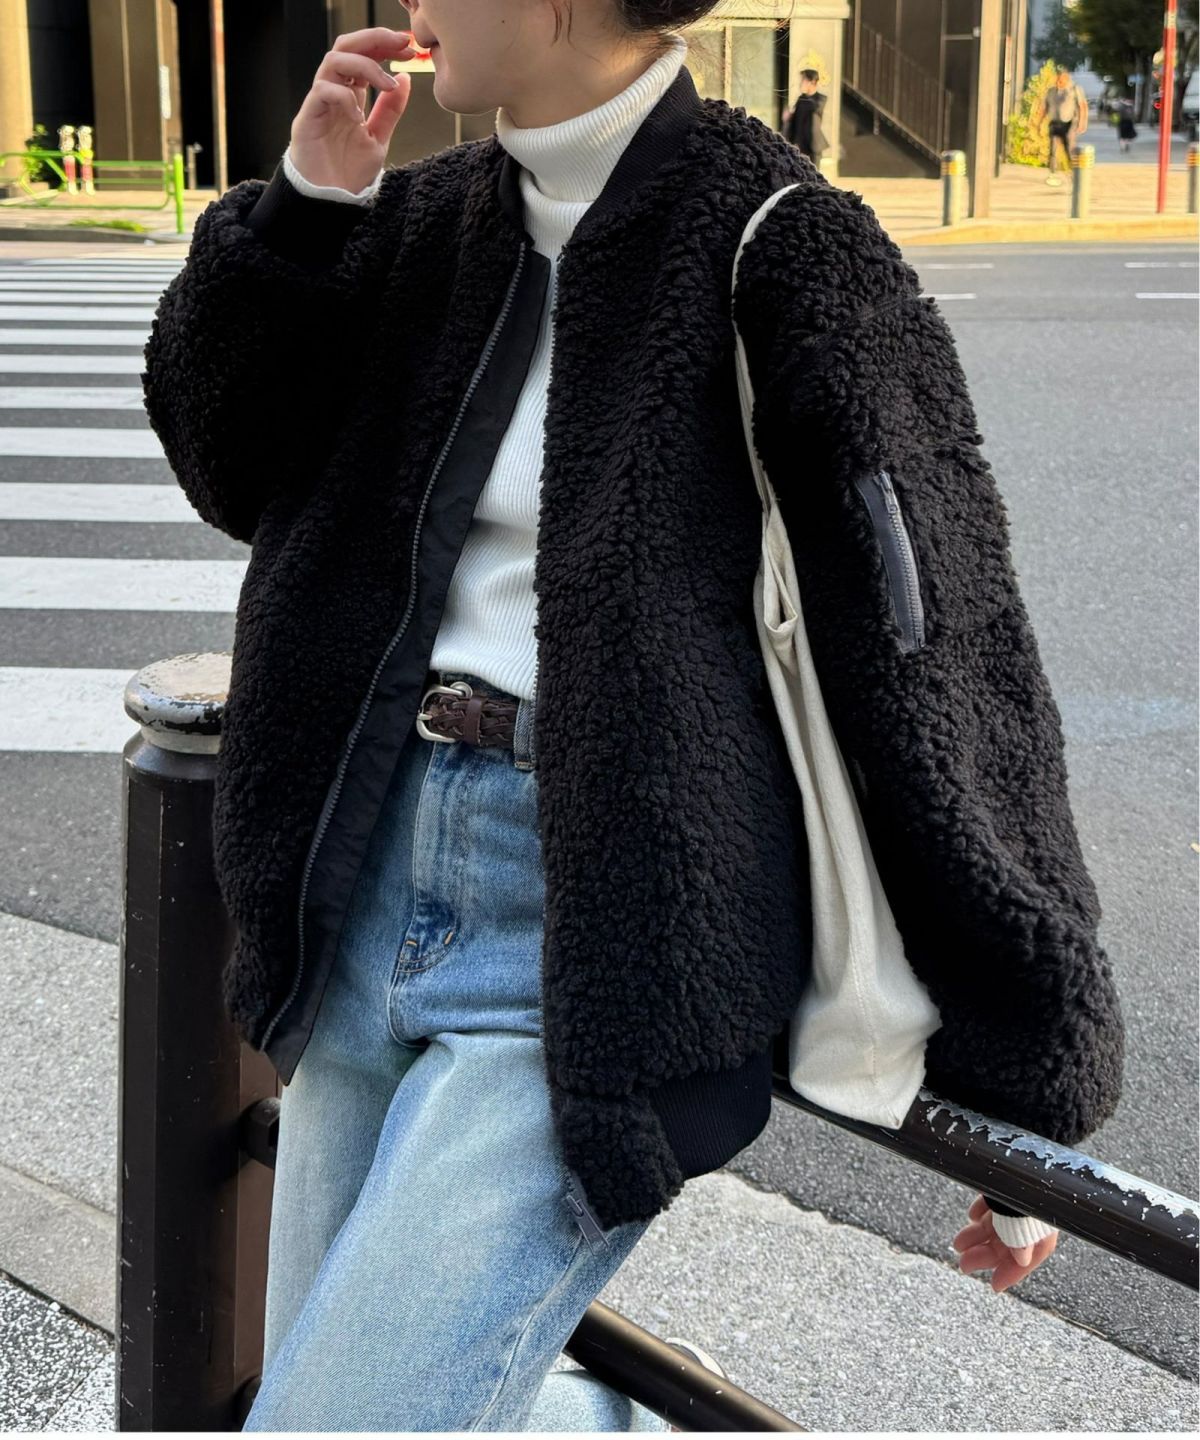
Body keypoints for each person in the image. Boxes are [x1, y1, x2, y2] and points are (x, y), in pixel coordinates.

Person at [141, 3, 1125, 1430]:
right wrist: (303, 210)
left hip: (586, 935)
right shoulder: (420, 217)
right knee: (327, 1399)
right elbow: (227, 461)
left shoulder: (781, 241)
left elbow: (940, 655)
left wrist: (1024, 1073)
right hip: (357, 890)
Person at [1035, 68, 1089, 185]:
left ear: (1066, 79)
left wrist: (1082, 122)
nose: (1059, 82)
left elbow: (1082, 106)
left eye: (1061, 80)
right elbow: (1044, 108)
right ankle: (1052, 174)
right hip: (1054, 123)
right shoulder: (1051, 91)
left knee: (1069, 149)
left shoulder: (1074, 89)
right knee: (1053, 149)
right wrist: (1039, 123)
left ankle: (1074, 174)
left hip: (1068, 123)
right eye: (1057, 79)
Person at [780, 68, 829, 165]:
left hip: (813, 146)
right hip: (799, 146)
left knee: (813, 172)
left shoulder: (820, 99)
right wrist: (788, 117)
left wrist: (807, 94)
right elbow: (795, 120)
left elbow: (814, 109)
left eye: (803, 80)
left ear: (812, 82)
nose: (800, 83)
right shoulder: (801, 99)